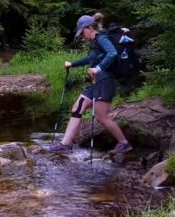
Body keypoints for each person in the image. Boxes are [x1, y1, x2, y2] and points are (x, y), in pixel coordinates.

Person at [49, 13, 133, 155]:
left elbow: (112, 53)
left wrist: (98, 68)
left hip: (105, 81)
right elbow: (90, 58)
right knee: (77, 108)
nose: (82, 36)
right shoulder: (95, 43)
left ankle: (124, 143)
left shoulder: (102, 38)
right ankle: (65, 144)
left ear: (89, 28)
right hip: (96, 82)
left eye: (82, 32)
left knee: (101, 117)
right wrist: (72, 64)